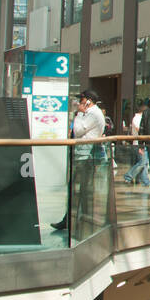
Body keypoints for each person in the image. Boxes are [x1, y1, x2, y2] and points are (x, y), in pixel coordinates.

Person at [51, 90, 105, 232]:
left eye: (81, 101)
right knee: (79, 189)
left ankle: (79, 219)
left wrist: (79, 114)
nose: (79, 104)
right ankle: (71, 219)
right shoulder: (91, 113)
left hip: (86, 156)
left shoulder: (92, 113)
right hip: (84, 155)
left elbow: (78, 130)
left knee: (81, 189)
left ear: (88, 101)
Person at [123, 102, 150, 187]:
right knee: (142, 163)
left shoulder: (139, 118)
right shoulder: (137, 118)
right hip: (138, 144)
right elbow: (139, 130)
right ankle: (128, 176)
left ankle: (145, 181)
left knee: (144, 164)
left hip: (142, 144)